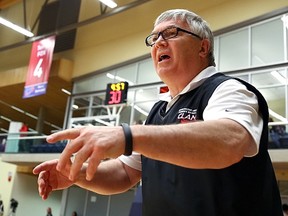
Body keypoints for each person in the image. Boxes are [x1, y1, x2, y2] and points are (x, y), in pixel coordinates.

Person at [33, 9, 283, 215]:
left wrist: (127, 135)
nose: (159, 42)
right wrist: (77, 173)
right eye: (154, 39)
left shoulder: (228, 89)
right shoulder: (158, 111)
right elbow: (124, 173)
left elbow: (231, 140)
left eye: (171, 33)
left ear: (203, 47)